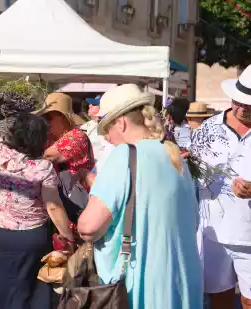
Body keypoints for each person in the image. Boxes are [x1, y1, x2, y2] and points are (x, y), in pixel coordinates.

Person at [77, 84, 203, 309]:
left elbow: (89, 227)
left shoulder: (124, 155)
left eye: (107, 129)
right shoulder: (175, 155)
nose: (107, 138)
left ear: (121, 122)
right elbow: (192, 220)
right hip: (183, 285)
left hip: (142, 289)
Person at [0, 94, 74, 309]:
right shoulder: (42, 167)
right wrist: (68, 237)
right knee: (32, 291)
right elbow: (53, 205)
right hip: (32, 238)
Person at [190, 65, 251, 309]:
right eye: (239, 100)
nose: (242, 107)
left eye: (249, 103)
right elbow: (194, 174)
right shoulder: (208, 128)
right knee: (219, 299)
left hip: (249, 237)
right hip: (213, 232)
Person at [34, 93, 95, 223]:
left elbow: (46, 156)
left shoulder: (76, 136)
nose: (45, 121)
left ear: (63, 118)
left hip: (77, 204)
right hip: (60, 204)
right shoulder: (50, 138)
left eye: (48, 117)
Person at [82, 95, 114, 172]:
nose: (89, 105)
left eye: (94, 104)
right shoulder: (86, 126)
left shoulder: (111, 128)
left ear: (102, 107)